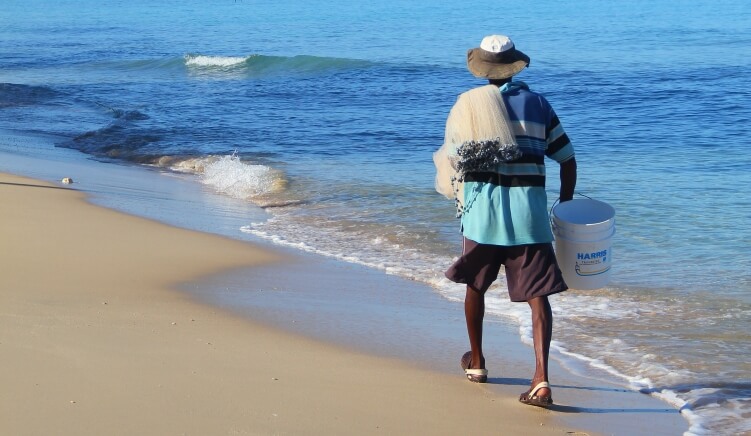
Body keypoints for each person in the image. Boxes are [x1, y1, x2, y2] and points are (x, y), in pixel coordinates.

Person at [433, 34, 577, 408]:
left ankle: (477, 362)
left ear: (483, 69)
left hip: (482, 217)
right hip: (529, 217)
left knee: (476, 286)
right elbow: (567, 159)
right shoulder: (539, 104)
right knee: (538, 296)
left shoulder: (467, 105)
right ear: (514, 64)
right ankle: (542, 379)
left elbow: (454, 160)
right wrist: (565, 203)